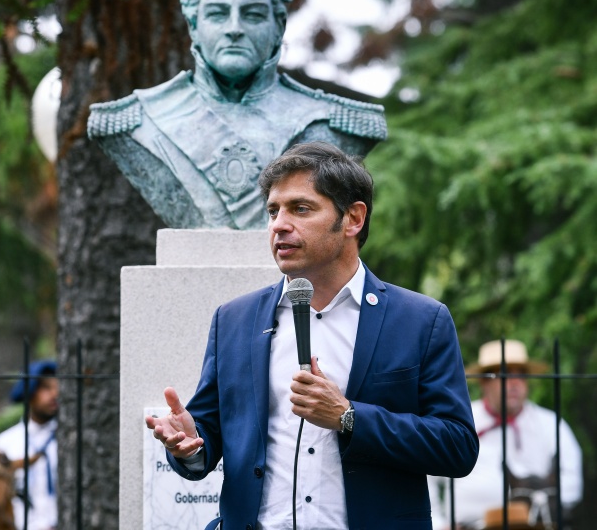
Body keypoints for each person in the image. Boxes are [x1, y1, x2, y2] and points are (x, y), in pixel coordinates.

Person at [145, 142, 479, 530]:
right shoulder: (234, 320)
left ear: (353, 218)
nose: (279, 225)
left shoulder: (420, 321)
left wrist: (349, 417)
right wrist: (189, 446)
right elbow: (208, 438)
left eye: (300, 209)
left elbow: (457, 447)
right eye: (273, 211)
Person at [87, 0, 387, 230]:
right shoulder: (137, 119)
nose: (234, 28)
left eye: (253, 14)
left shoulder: (333, 122)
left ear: (278, 26)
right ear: (194, 26)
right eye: (217, 13)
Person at [428, 339, 583, 530]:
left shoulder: (549, 423)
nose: (515, 383)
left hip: (537, 525)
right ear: (484, 381)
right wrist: (438, 524)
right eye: (505, 374)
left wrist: (539, 499)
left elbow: (572, 480)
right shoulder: (461, 421)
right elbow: (428, 478)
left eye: (521, 375)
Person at [0, 360, 59, 530]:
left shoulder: (71, 441)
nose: (55, 394)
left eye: (57, 387)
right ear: (29, 393)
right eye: (46, 388)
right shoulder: (5, 443)